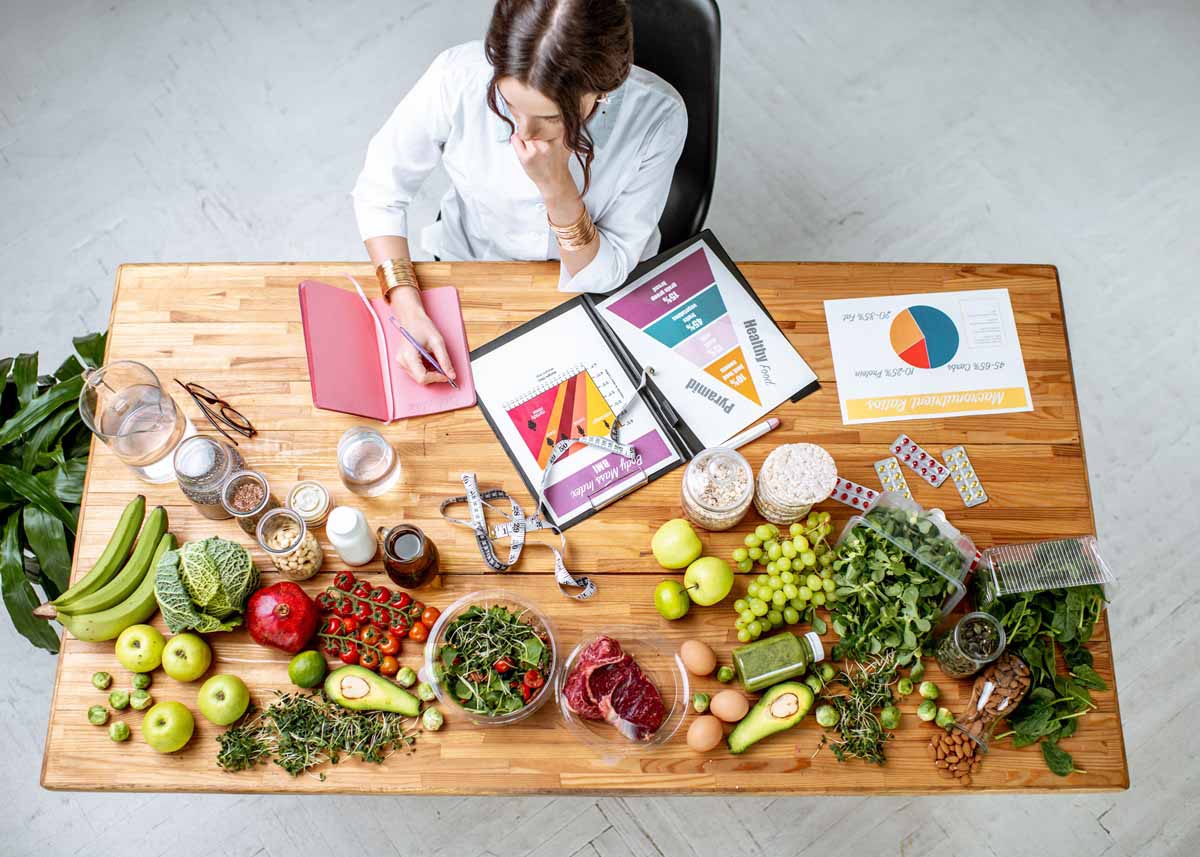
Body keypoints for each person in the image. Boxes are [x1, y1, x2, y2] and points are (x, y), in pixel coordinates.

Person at [353, 0, 687, 384]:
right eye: (509, 104)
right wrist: (407, 307)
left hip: (599, 285)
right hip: (476, 263)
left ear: (604, 89)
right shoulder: (457, 76)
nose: (523, 133)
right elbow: (380, 189)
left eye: (551, 117)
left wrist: (557, 186)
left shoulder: (658, 115)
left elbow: (604, 274)